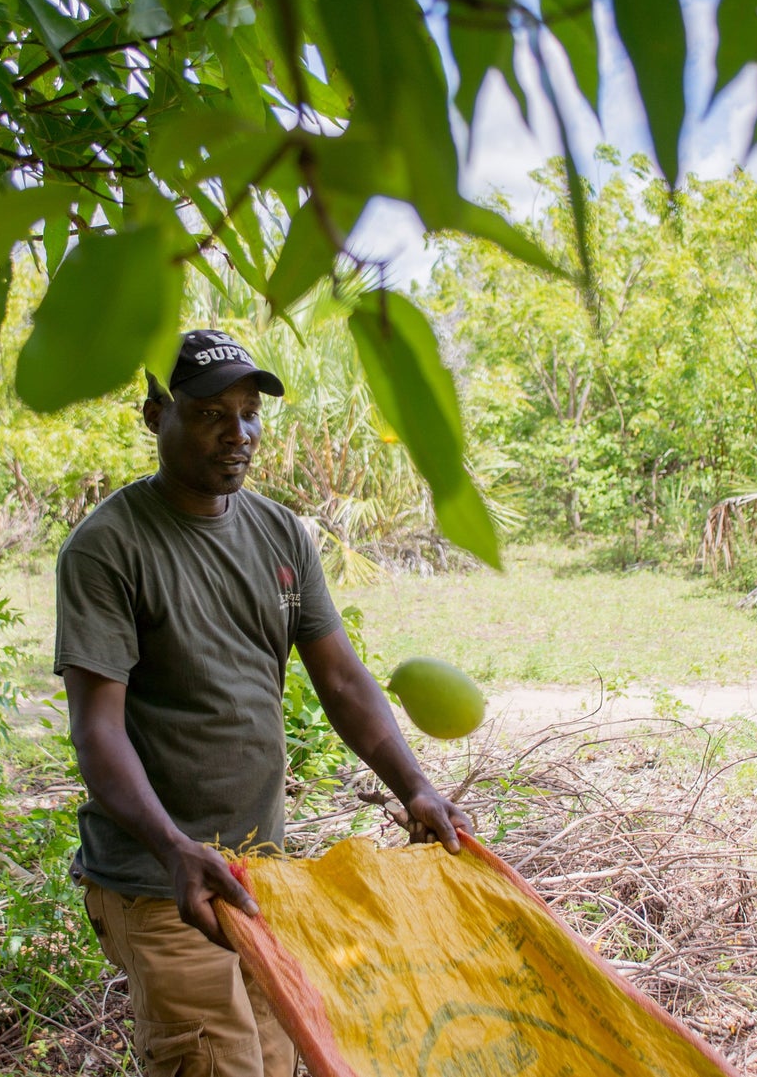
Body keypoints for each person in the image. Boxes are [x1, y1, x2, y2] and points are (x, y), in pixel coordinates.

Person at [55, 329, 471, 1077]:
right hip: (164, 880)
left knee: (278, 1057)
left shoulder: (281, 533)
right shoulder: (108, 547)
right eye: (210, 412)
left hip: (263, 875)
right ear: (155, 414)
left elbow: (342, 681)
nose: (237, 433)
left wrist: (416, 787)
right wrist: (176, 847)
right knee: (219, 1063)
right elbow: (96, 731)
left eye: (248, 413)